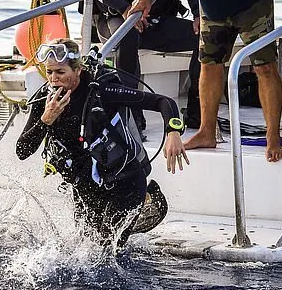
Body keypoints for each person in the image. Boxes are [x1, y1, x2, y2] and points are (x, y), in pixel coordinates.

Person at [16, 39, 188, 248]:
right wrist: (46, 120)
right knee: (85, 251)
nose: (54, 79)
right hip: (85, 187)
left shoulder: (102, 91)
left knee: (106, 250)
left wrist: (173, 132)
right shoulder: (45, 99)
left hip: (125, 183)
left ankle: (144, 200)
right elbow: (22, 151)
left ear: (78, 70)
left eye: (60, 72)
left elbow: (163, 102)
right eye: (49, 72)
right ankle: (145, 205)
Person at [81, 0, 201, 135]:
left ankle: (196, 110)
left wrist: (198, 13)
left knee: (204, 37)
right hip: (114, 17)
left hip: (156, 18)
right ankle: (131, 113)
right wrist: (125, 9)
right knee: (127, 37)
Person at [184, 0, 282, 162]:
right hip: (212, 8)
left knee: (264, 67)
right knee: (209, 65)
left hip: (253, 5)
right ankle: (206, 132)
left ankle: (272, 136)